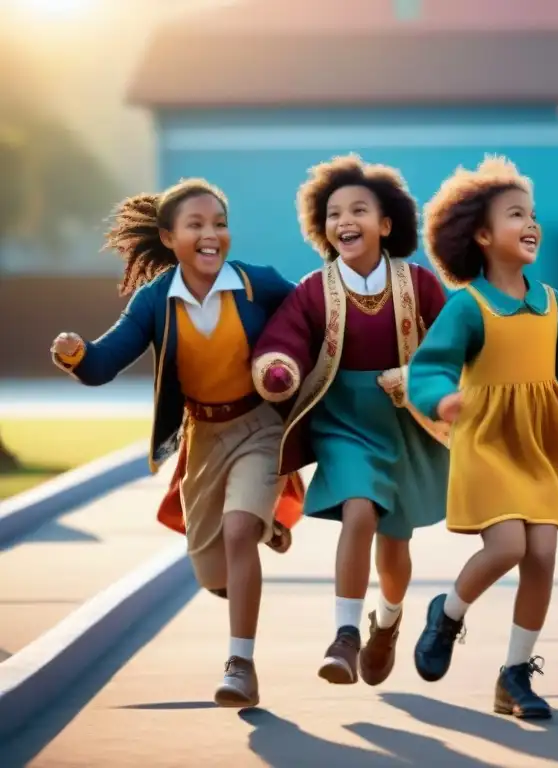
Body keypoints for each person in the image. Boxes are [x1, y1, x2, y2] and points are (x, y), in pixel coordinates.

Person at [406, 156, 558, 719]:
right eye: (516, 214)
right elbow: (430, 365)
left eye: (534, 214)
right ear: (483, 235)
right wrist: (440, 397)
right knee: (508, 546)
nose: (532, 223)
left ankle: (514, 675)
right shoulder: (468, 307)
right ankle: (449, 611)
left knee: (542, 554)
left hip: (539, 438)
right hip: (488, 438)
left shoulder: (551, 302)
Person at [50, 179, 304, 708]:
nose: (212, 235)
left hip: (262, 427)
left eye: (219, 224)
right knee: (215, 575)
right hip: (204, 439)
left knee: (238, 533)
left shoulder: (261, 285)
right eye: (196, 226)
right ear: (169, 237)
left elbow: (312, 320)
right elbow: (103, 363)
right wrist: (76, 355)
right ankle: (267, 524)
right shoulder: (154, 301)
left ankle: (241, 667)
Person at [252, 155, 449, 688]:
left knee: (395, 546)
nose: (346, 220)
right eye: (334, 212)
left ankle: (385, 621)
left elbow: (455, 344)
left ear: (386, 225)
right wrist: (277, 368)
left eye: (359, 209)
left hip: (406, 424)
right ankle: (344, 636)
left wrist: (421, 377)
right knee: (358, 510)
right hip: (343, 421)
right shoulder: (313, 289)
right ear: (323, 228)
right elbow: (285, 338)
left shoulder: (420, 284)